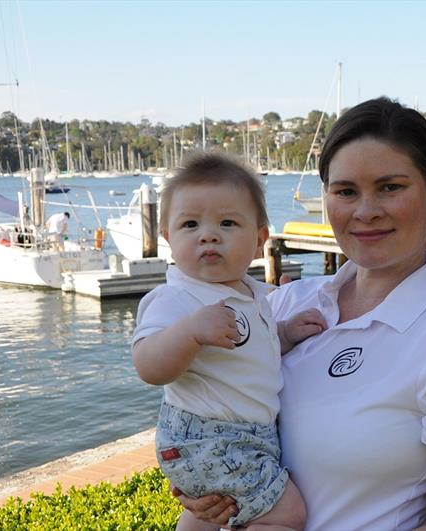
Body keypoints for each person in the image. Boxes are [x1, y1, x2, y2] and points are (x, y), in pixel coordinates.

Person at [178, 98, 426, 530]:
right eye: (345, 191)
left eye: (390, 187)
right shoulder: (282, 305)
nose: (366, 211)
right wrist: (199, 475)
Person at [132, 153, 325, 531]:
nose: (208, 234)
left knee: (211, 512)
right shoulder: (177, 299)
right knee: (286, 514)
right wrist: (188, 333)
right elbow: (147, 366)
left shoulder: (252, 295)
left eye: (227, 222)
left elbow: (255, 352)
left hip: (238, 436)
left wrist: (285, 332)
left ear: (259, 240)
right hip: (211, 435)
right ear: (169, 239)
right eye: (190, 224)